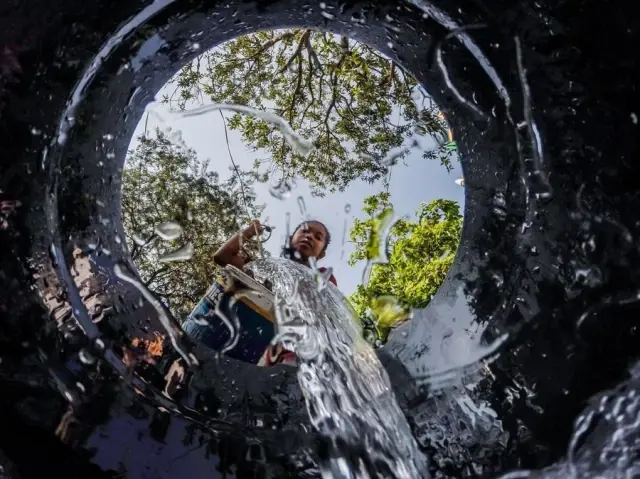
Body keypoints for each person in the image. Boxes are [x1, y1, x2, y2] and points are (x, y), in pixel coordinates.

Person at [212, 218, 337, 366]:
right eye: (304, 231)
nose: (309, 236)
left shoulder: (322, 277)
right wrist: (250, 231)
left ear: (321, 254)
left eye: (318, 237)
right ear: (291, 239)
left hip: (297, 361)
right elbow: (222, 257)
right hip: (257, 356)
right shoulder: (265, 270)